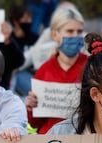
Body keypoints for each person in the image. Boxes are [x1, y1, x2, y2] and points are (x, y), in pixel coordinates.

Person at [25, 5, 87, 134]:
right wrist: (31, 107)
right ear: (55, 35)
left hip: (82, 138)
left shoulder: (92, 66)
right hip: (49, 139)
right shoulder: (45, 70)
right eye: (70, 31)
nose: (75, 36)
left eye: (79, 31)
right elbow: (35, 123)